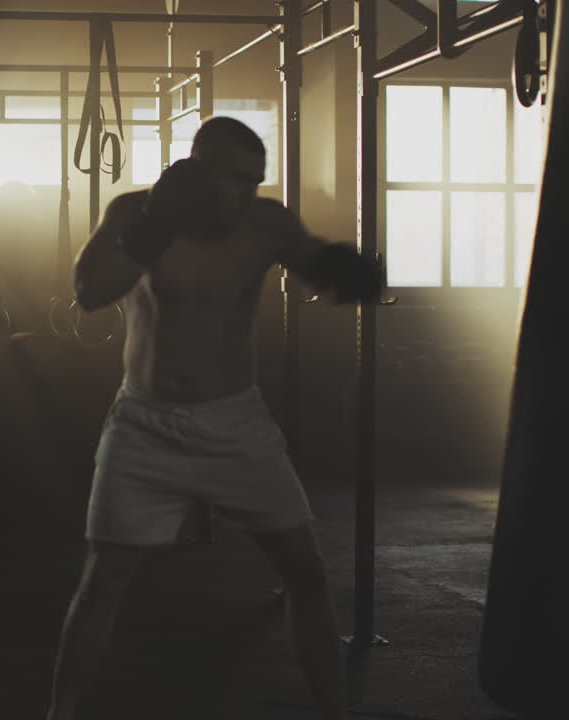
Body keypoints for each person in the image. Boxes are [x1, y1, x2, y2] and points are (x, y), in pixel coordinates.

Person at [44, 116, 381, 720]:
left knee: (305, 571)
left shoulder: (265, 224)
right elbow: (90, 291)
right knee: (105, 580)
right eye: (236, 180)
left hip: (236, 426)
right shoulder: (134, 213)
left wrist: (343, 271)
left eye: (256, 181)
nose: (248, 193)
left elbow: (314, 270)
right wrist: (156, 228)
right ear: (197, 170)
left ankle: (337, 713)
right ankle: (60, 715)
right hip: (145, 426)